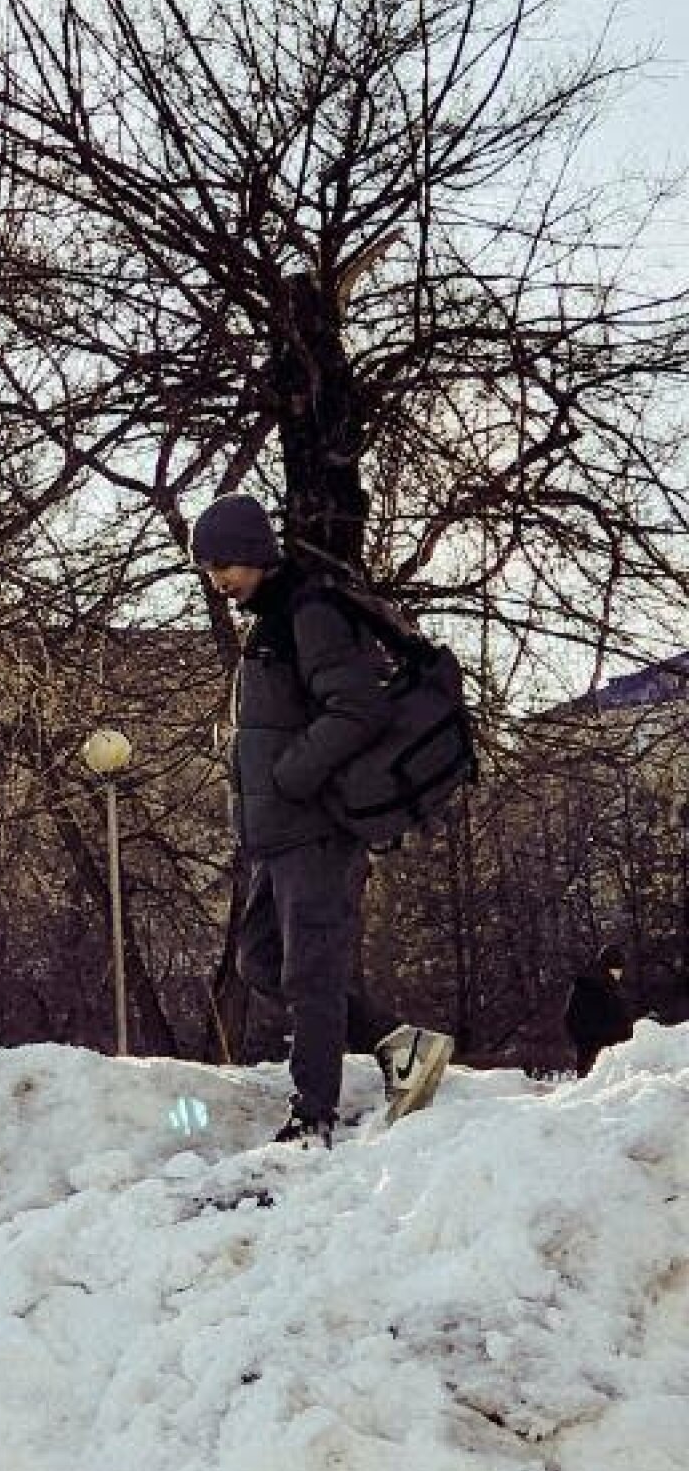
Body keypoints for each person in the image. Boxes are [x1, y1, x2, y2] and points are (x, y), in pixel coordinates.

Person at [192, 491, 455, 1149]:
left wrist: (291, 775)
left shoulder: (308, 612)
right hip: (277, 834)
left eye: (224, 564)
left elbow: (357, 708)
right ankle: (405, 1048)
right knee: (260, 960)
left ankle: (313, 1115)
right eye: (209, 569)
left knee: (309, 972)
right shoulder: (270, 621)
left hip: (314, 828)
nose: (217, 579)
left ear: (254, 553)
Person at [563, 944, 635, 1077]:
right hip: (596, 1054)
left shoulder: (608, 987)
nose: (620, 973)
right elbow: (573, 1020)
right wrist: (595, 1042)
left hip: (605, 1054)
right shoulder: (590, 987)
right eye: (618, 969)